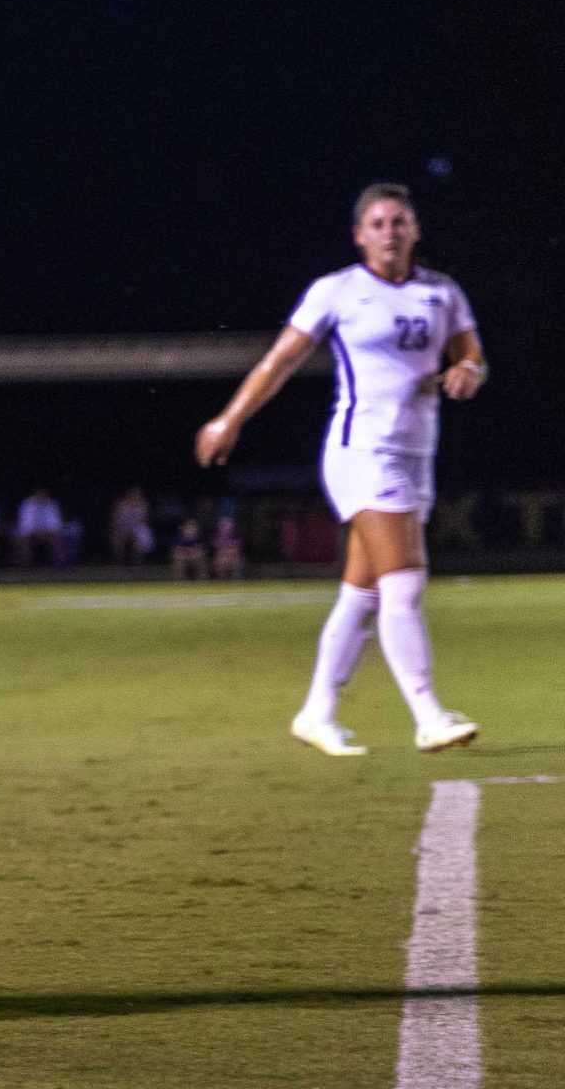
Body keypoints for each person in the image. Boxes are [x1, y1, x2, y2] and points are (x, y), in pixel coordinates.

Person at [195, 182, 485, 756]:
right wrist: (229, 419)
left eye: (399, 221)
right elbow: (281, 360)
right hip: (362, 451)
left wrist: (469, 372)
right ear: (358, 235)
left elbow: (472, 355)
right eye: (376, 223)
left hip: (417, 453)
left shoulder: (441, 292)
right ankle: (427, 714)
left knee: (365, 592)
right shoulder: (338, 291)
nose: (389, 232)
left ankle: (317, 712)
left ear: (415, 230)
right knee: (405, 582)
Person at [11, 488, 64, 566]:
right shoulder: (27, 505)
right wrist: (36, 532)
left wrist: (46, 532)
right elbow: (25, 524)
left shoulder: (52, 505)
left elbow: (56, 524)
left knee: (58, 538)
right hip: (31, 533)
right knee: (23, 539)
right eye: (39, 494)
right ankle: (25, 564)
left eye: (43, 494)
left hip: (48, 532)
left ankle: (59, 564)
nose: (41, 496)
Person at [108, 487, 153, 566]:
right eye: (133, 494)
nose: (135, 496)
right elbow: (115, 520)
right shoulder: (121, 504)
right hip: (122, 527)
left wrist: (133, 532)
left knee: (140, 537)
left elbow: (144, 521)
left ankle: (137, 562)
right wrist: (121, 529)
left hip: (137, 528)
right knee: (117, 537)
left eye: (137, 494)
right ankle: (118, 562)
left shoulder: (143, 505)